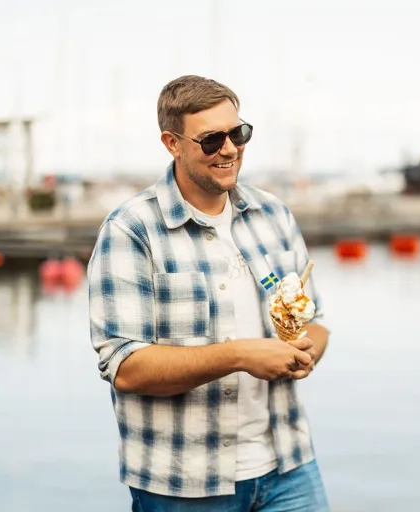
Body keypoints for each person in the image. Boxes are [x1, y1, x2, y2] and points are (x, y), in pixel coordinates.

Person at [87, 75, 331, 512]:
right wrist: (240, 355)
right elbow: (126, 367)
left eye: (238, 133)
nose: (230, 149)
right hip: (183, 484)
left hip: (289, 467)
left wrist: (305, 351)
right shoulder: (130, 229)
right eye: (211, 139)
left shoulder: (274, 214)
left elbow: (316, 322)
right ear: (172, 143)